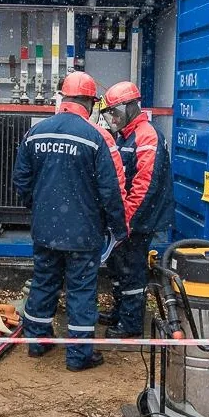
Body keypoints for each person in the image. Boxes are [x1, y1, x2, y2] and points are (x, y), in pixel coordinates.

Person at [13, 71, 128, 371]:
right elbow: (110, 189)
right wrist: (118, 227)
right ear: (90, 102)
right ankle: (79, 355)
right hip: (83, 232)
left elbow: (20, 180)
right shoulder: (96, 137)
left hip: (45, 228)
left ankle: (36, 342)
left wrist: (39, 208)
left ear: (63, 98)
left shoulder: (36, 132)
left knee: (44, 282)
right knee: (81, 291)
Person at [98, 81, 174, 337]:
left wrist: (125, 221)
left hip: (139, 220)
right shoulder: (129, 135)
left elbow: (144, 186)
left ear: (130, 107)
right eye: (109, 114)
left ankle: (130, 325)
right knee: (119, 268)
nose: (112, 119)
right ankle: (120, 313)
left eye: (115, 112)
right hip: (129, 219)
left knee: (132, 271)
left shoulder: (146, 136)